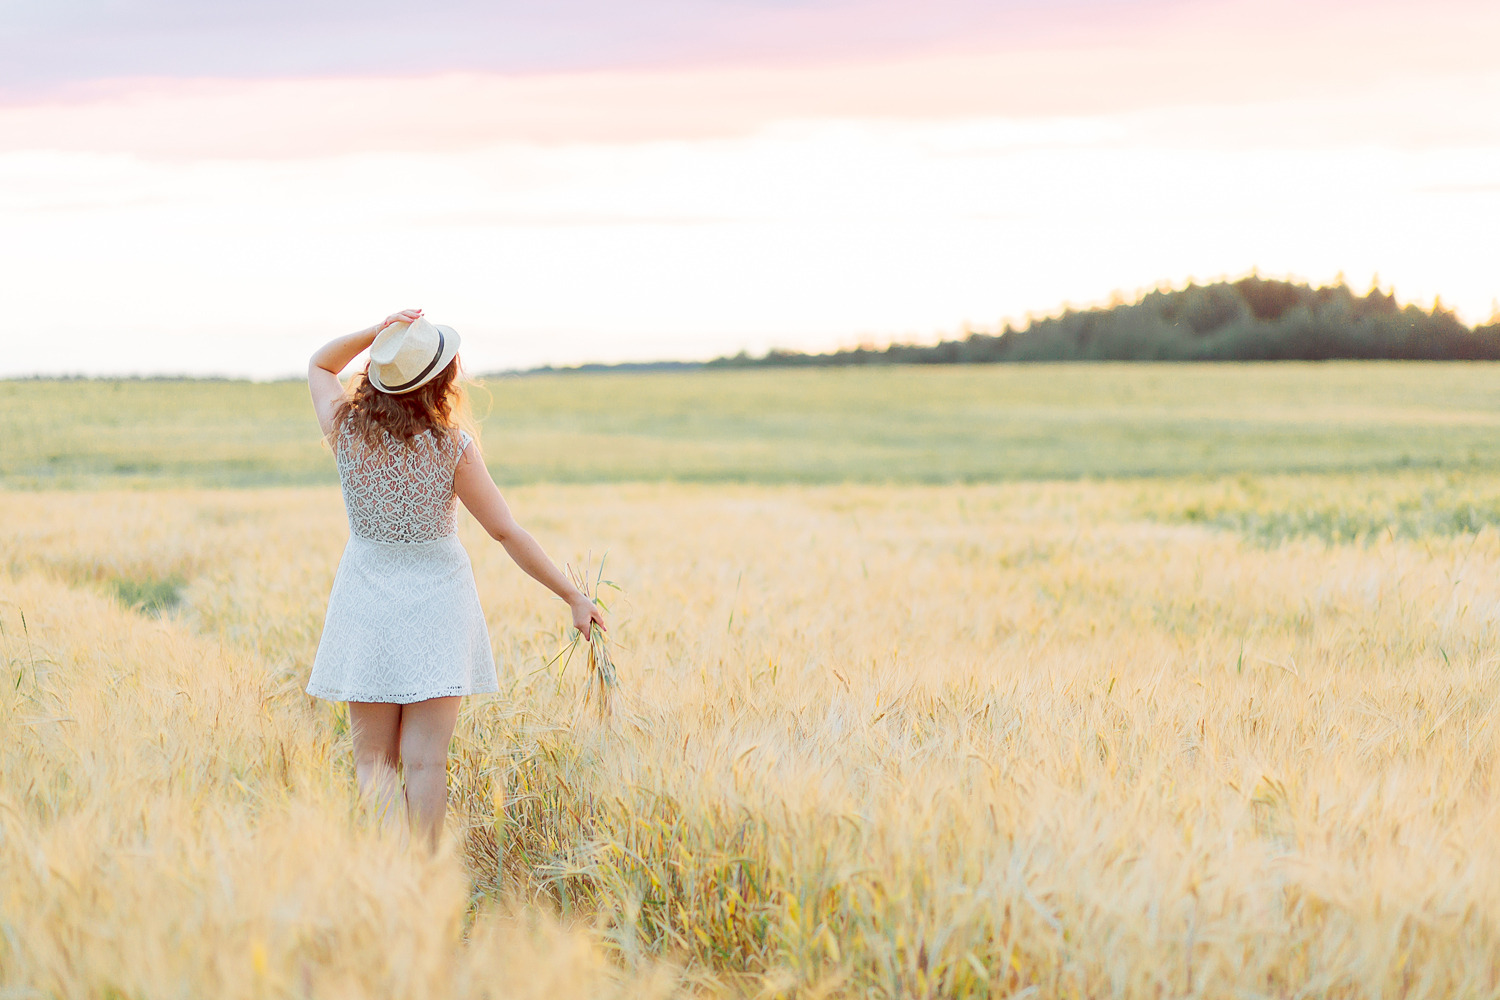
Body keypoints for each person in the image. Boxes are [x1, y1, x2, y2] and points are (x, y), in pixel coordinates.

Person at [305, 308, 606, 847]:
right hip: (438, 610)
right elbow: (506, 532)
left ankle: (386, 881)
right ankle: (425, 885)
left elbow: (320, 365)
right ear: (443, 378)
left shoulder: (345, 430)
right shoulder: (452, 445)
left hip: (365, 602)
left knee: (373, 763)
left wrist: (378, 334)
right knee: (426, 765)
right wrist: (572, 595)